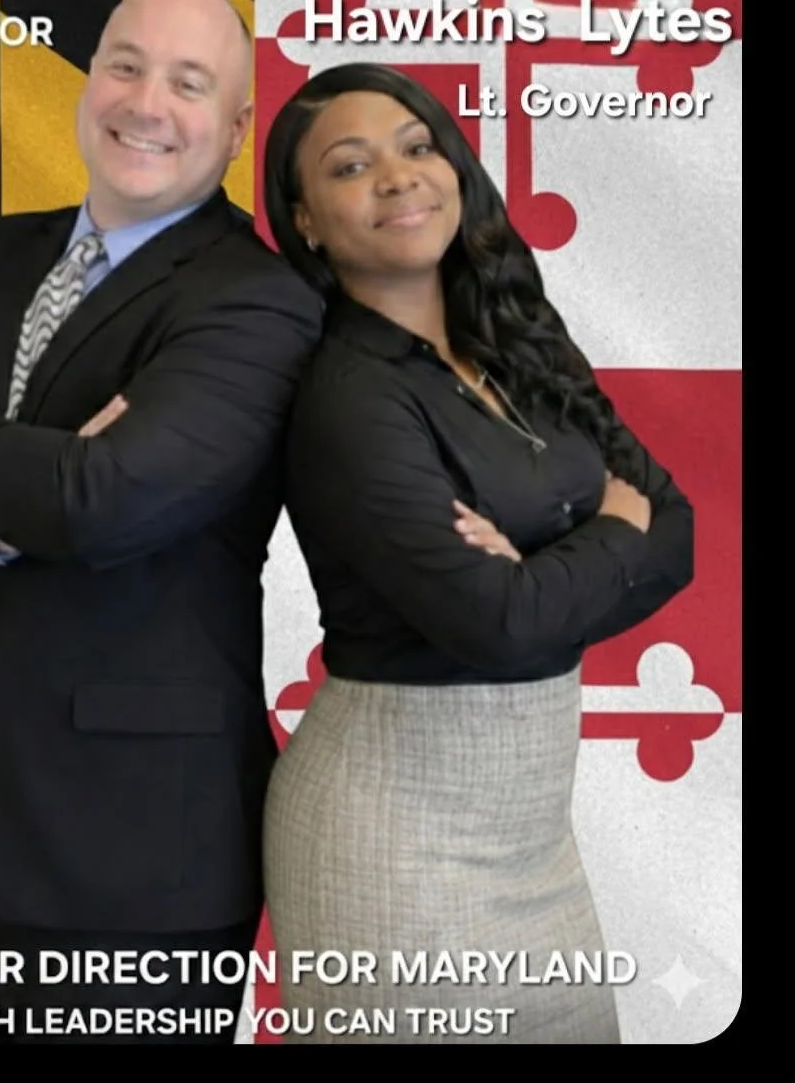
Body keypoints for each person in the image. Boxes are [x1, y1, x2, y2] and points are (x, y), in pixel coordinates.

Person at [0, 0, 324, 1045]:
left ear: (237, 128)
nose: (147, 101)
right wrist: (8, 504)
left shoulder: (257, 299)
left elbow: (104, 501)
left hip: (138, 847)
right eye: (126, 63)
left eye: (190, 83)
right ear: (89, 78)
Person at [260, 63, 694, 1045]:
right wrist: (608, 529)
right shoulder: (347, 396)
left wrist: (548, 566)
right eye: (351, 164)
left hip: (537, 843)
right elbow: (502, 623)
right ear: (309, 222)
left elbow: (680, 529)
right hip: (391, 846)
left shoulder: (515, 340)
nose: (400, 176)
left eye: (418, 146)